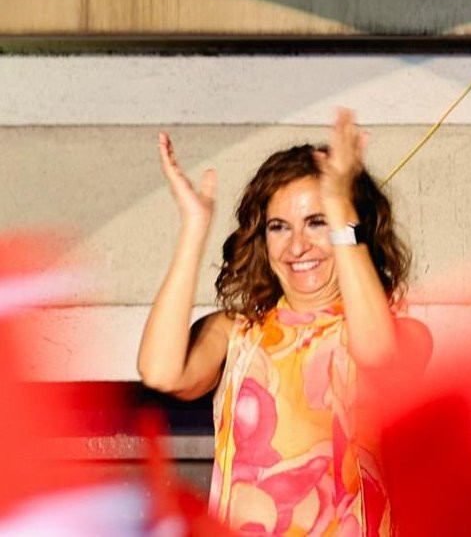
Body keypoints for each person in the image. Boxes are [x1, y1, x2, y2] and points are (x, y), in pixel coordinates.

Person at [138, 109, 431, 536]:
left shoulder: (400, 334)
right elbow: (161, 372)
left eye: (317, 222)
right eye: (279, 227)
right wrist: (194, 226)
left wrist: (339, 208)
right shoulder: (236, 332)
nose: (297, 246)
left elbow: (378, 354)